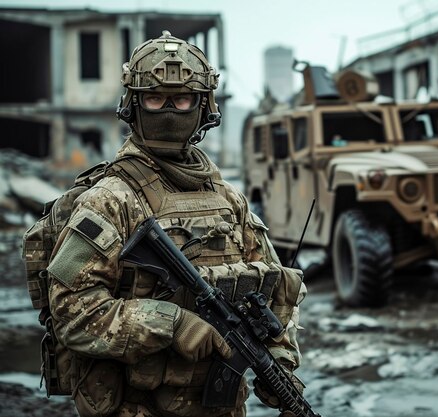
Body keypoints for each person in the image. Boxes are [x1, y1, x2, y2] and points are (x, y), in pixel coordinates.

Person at [46, 31, 306, 417]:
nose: (169, 110)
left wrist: (279, 362)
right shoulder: (110, 198)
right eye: (155, 98)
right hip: (136, 406)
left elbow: (271, 287)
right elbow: (71, 311)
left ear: (203, 106)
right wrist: (171, 324)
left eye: (182, 98)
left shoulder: (227, 198)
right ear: (134, 105)